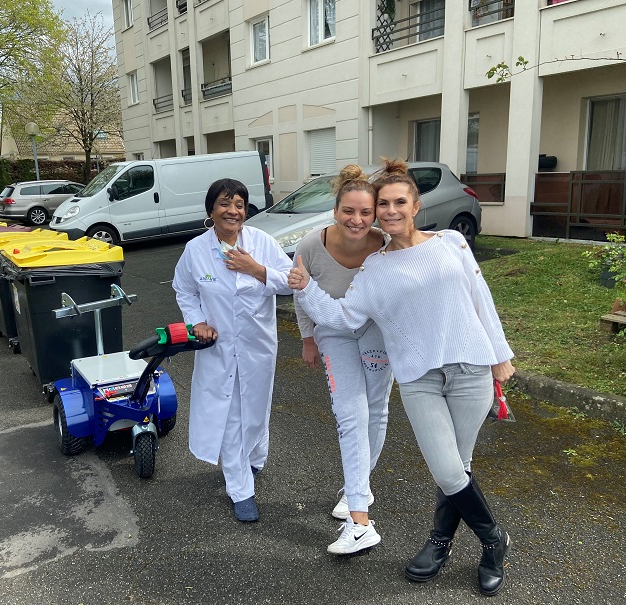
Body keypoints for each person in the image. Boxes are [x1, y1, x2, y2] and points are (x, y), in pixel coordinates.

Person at [288, 158, 515, 596]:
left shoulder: (451, 242)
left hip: (469, 368)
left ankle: (440, 541)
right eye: (383, 204)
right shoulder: (374, 268)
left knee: (459, 467)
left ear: (415, 205)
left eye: (398, 202)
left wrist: (499, 356)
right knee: (448, 471)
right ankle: (494, 540)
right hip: (418, 377)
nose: (390, 211)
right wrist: (305, 289)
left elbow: (479, 298)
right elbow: (343, 318)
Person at [172, 178, 293, 523]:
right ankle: (241, 488)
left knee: (256, 405)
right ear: (211, 210)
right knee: (231, 414)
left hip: (257, 346)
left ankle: (256, 457)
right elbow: (184, 289)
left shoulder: (262, 243)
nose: (233, 211)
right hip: (218, 346)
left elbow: (291, 280)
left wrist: (255, 269)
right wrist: (196, 322)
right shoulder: (196, 249)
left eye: (239, 204)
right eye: (225, 204)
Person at [292, 165, 394, 555]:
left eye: (365, 213)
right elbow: (300, 292)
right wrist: (307, 339)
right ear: (335, 210)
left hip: (374, 333)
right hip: (332, 334)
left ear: (374, 215)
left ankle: (357, 489)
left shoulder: (385, 245)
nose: (356, 220)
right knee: (351, 414)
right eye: (348, 211)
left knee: (376, 409)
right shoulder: (310, 245)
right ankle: (359, 518)